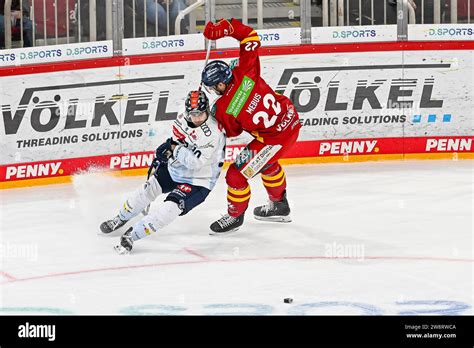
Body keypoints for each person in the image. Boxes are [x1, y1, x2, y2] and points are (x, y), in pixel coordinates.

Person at [201, 19, 301, 235]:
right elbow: (250, 37)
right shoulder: (244, 71)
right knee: (266, 161)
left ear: (220, 84)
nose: (212, 91)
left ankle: (235, 216)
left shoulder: (225, 108)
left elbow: (231, 132)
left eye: (212, 87)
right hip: (291, 119)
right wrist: (224, 29)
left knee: (235, 176)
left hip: (275, 139)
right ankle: (279, 206)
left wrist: (205, 112)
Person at [100, 90, 226, 254]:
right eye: (192, 114)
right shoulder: (182, 113)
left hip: (199, 180)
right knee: (147, 190)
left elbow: (196, 162)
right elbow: (177, 138)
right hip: (176, 167)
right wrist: (169, 146)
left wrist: (174, 149)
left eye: (200, 114)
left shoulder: (213, 133)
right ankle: (121, 218)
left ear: (207, 110)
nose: (196, 118)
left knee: (170, 209)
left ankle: (132, 235)